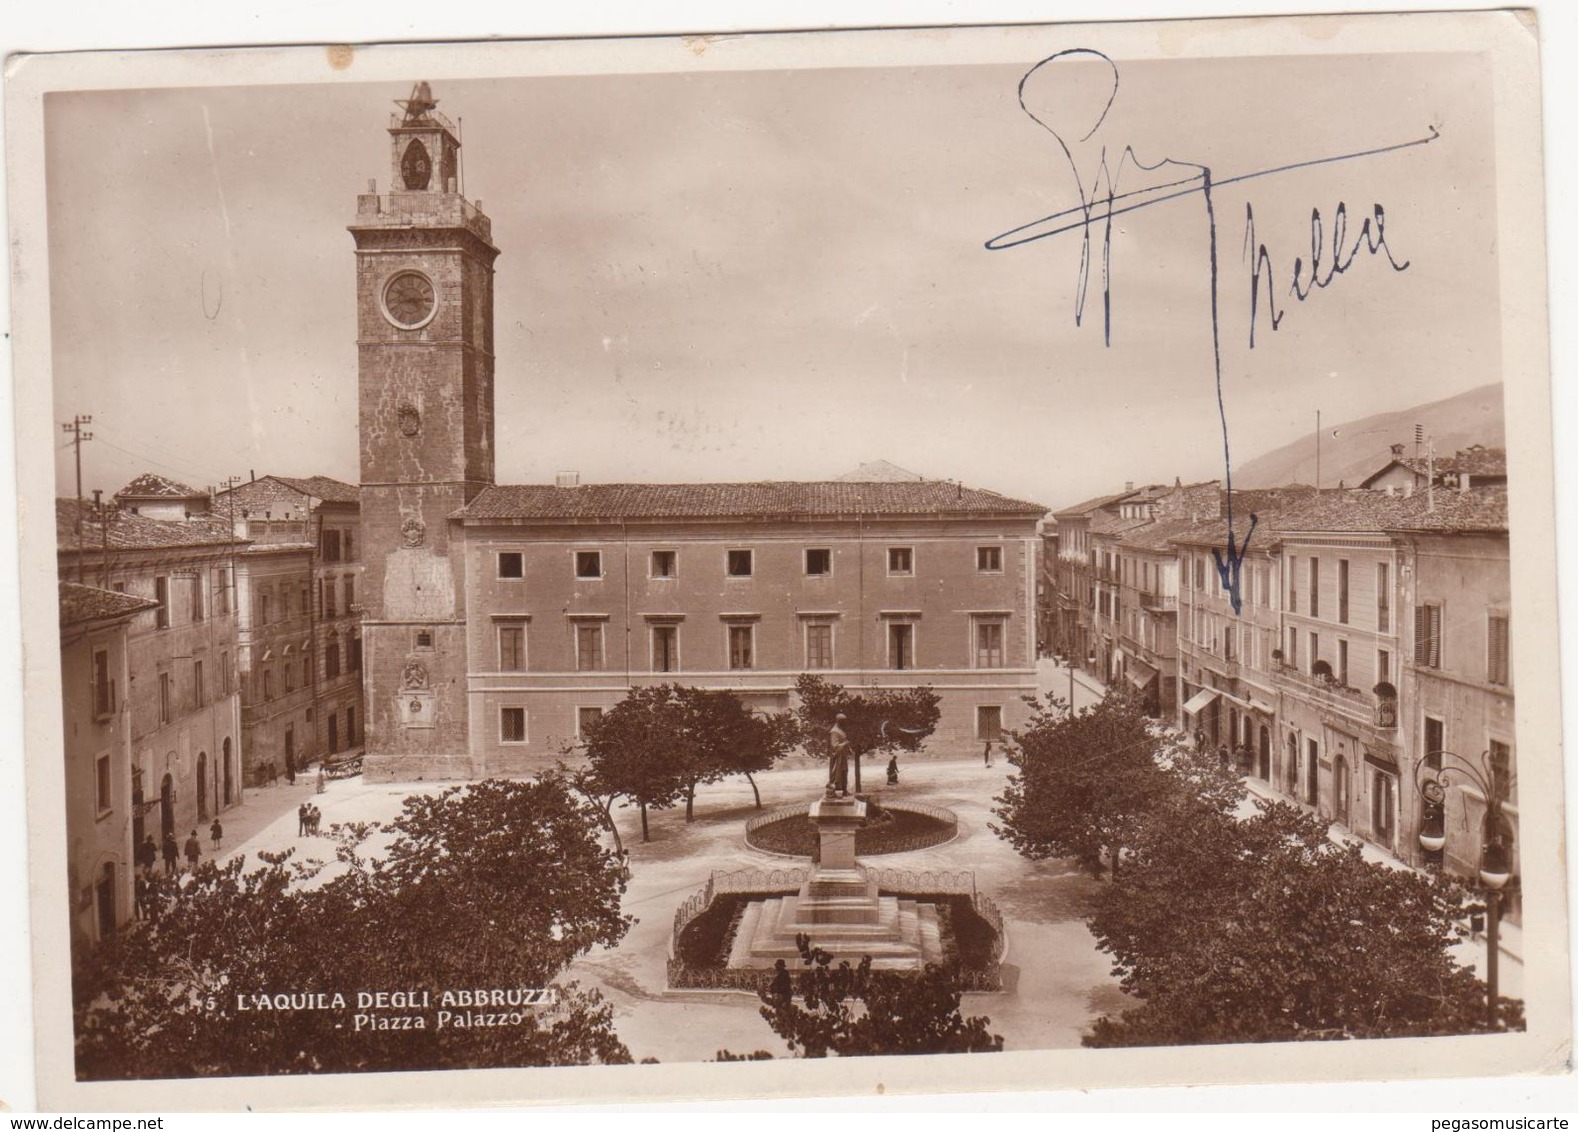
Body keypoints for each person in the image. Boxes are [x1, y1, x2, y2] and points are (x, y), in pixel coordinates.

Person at [827, 714, 851, 797]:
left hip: (843, 756)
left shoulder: (840, 730)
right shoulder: (834, 731)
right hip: (837, 758)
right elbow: (834, 745)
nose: (845, 724)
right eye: (843, 722)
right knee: (836, 774)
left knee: (844, 772)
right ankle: (831, 792)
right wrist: (845, 743)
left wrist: (848, 748)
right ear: (839, 721)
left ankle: (844, 790)